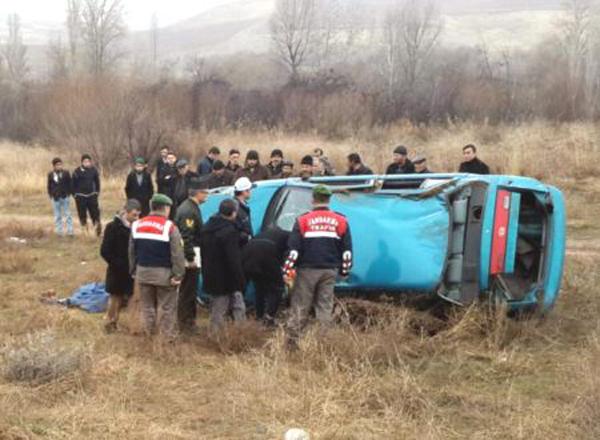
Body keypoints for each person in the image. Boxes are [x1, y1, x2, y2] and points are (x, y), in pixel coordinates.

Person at [283, 185, 353, 347]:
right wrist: (344, 271)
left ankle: (292, 343)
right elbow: (347, 251)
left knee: (301, 305)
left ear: (313, 199)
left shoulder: (302, 220)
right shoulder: (341, 221)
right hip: (330, 270)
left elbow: (293, 250)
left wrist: (287, 270)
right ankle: (323, 343)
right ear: (329, 200)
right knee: (324, 307)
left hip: (307, 269)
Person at [129, 194, 185, 341]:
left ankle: (148, 335)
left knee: (147, 307)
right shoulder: (170, 227)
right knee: (167, 308)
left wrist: (134, 270)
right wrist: (178, 275)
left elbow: (131, 251)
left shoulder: (136, 225)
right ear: (165, 208)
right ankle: (167, 339)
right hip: (164, 275)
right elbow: (177, 254)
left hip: (143, 272)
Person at [200, 199, 246, 335]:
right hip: (227, 276)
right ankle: (223, 336)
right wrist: (240, 279)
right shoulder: (229, 232)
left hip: (211, 273)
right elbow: (233, 258)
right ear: (233, 213)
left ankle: (230, 334)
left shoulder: (207, 227)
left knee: (222, 306)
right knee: (227, 307)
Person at [101, 199, 141, 333]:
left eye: (138, 215)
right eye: (134, 215)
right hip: (117, 271)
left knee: (133, 299)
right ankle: (110, 323)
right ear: (126, 212)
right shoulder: (112, 227)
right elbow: (105, 251)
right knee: (115, 299)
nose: (137, 218)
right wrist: (117, 264)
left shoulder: (136, 228)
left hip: (132, 270)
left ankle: (133, 327)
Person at [174, 178, 209, 334]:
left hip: (192, 252)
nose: (207, 195)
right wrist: (190, 258)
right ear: (198, 193)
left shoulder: (191, 207)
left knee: (190, 290)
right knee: (188, 290)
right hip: (190, 254)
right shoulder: (188, 210)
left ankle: (188, 322)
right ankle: (186, 324)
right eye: (205, 192)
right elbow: (186, 237)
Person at [243, 227, 290, 326]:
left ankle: (259, 316)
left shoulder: (267, 232)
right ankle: (269, 317)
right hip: (267, 252)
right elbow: (290, 254)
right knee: (278, 287)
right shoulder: (291, 236)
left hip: (248, 251)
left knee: (259, 287)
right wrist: (286, 271)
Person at [72, 154, 102, 236]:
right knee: (82, 214)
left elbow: (97, 182)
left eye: (88, 161)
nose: (87, 163)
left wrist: (97, 192)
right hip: (80, 196)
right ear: (82, 162)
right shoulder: (76, 171)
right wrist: (75, 195)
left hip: (92, 196)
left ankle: (97, 231)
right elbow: (73, 184)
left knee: (95, 213)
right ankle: (85, 232)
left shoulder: (93, 170)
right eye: (85, 161)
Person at [47, 157, 74, 237]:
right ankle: (59, 232)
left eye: (60, 164)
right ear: (54, 166)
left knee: (68, 214)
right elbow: (49, 185)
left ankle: (70, 231)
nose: (59, 166)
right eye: (57, 165)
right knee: (57, 216)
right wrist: (51, 194)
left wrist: (69, 193)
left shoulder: (66, 173)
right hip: (55, 197)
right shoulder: (51, 174)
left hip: (65, 196)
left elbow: (70, 183)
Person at [233, 177, 253, 245]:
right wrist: (246, 237)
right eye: (249, 190)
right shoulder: (236, 208)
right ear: (244, 191)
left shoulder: (241, 206)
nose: (251, 192)